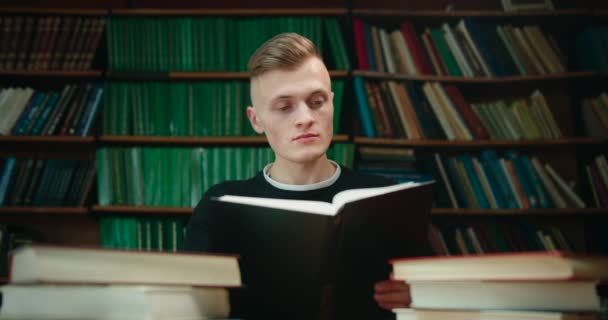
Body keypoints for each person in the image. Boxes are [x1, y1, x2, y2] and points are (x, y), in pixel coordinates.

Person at [183, 33, 416, 319]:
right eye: (284, 107)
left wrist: (419, 299)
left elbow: (430, 298)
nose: (305, 117)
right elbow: (189, 305)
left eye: (316, 102)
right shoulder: (220, 204)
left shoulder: (388, 198)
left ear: (332, 103)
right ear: (256, 120)